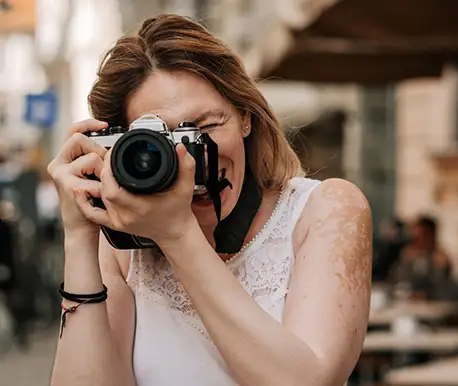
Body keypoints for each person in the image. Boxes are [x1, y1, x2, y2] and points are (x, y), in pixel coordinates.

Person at [47, 14, 372, 386]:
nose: (192, 157)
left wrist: (178, 235)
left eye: (205, 127)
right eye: (163, 141)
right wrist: (79, 236)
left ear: (245, 116)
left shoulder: (326, 211)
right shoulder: (125, 246)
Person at [395, 215, 451, 300]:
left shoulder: (440, 258)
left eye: (423, 236)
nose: (419, 240)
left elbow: (443, 286)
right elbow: (399, 282)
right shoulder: (409, 254)